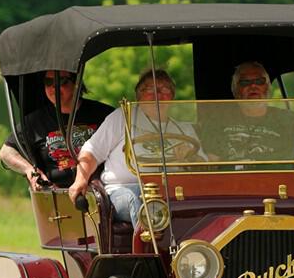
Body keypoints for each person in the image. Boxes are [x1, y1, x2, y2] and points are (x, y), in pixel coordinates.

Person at [68, 69, 202, 228]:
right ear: (139, 96)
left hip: (172, 191)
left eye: (164, 89)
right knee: (143, 199)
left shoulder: (184, 129)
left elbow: (204, 167)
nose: (157, 95)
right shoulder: (123, 118)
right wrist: (80, 180)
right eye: (150, 89)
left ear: (172, 97)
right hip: (125, 190)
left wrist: (190, 157)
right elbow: (92, 151)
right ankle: (150, 243)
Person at [0, 70, 113, 189]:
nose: (54, 87)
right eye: (48, 82)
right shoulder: (35, 120)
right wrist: (29, 169)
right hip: (54, 194)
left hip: (100, 191)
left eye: (61, 81)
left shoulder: (105, 115)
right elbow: (6, 152)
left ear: (76, 83)